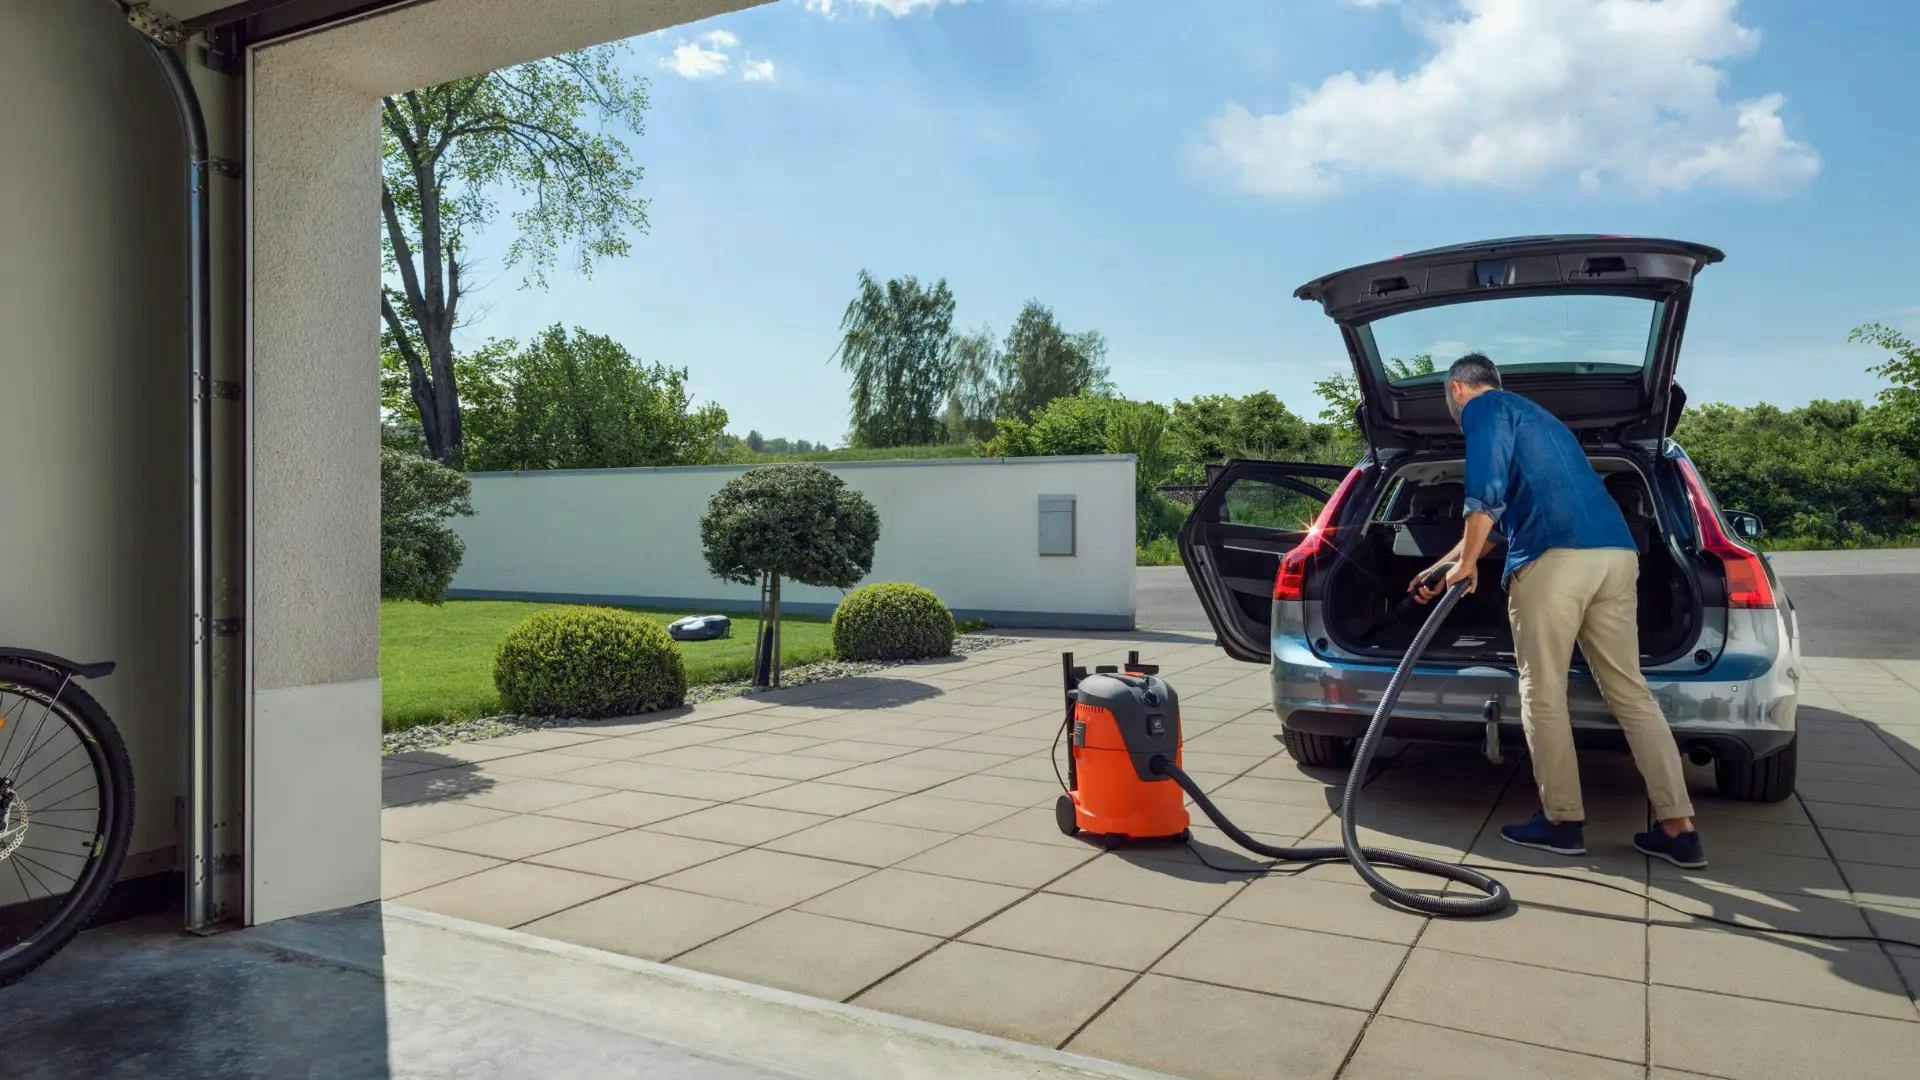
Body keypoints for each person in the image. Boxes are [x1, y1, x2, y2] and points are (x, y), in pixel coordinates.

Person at [1410, 353, 1706, 868]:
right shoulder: (1544, 423)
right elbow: (1510, 518)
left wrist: (1469, 565)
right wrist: (1447, 565)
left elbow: (1487, 493)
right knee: (1630, 691)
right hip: (1615, 556)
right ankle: (1679, 829)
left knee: (1542, 692)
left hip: (1555, 560)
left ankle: (1561, 822)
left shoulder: (1484, 409)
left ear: (1458, 388)